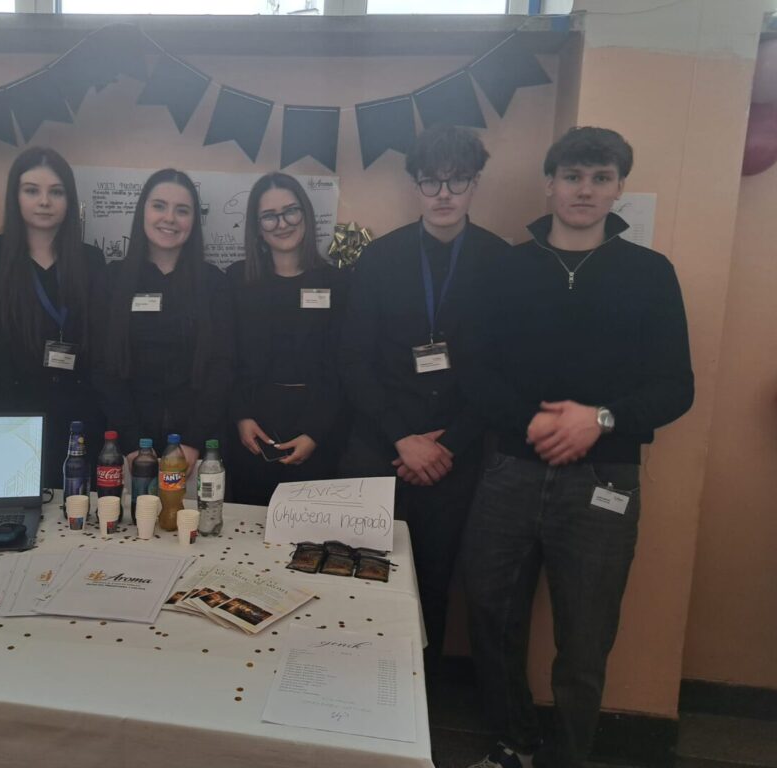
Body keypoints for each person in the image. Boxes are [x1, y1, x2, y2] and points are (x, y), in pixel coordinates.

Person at [461, 127, 694, 768]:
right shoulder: (505, 269)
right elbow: (473, 369)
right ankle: (514, 742)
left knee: (586, 637)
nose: (585, 190)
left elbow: (676, 387)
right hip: (510, 467)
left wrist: (601, 420)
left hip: (604, 480)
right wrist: (533, 423)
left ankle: (568, 758)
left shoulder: (650, 274)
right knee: (489, 614)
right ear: (550, 183)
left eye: (600, 178)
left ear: (618, 188)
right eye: (572, 176)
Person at [339, 125, 508, 664]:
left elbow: (505, 369)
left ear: (475, 184)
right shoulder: (379, 258)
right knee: (361, 574)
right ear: (415, 185)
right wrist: (402, 439)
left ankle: (421, 692)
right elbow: (353, 361)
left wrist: (447, 445)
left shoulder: (501, 262)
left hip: (456, 453)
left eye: (457, 181)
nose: (443, 194)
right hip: (379, 445)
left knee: (434, 581)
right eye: (431, 181)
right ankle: (355, 682)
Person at [0, 147, 106, 488]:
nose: (44, 202)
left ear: (69, 200)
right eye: (32, 190)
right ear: (15, 196)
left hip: (79, 423)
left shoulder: (91, 261)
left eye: (56, 192)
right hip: (7, 420)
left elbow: (103, 354)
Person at [226, 173, 348, 505]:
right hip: (252, 430)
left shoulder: (338, 283)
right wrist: (241, 416)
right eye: (269, 216)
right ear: (257, 227)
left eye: (291, 211)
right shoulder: (236, 280)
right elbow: (225, 356)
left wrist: (315, 432)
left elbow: (343, 363)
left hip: (318, 428)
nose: (282, 224)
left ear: (306, 215)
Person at [101, 168, 233, 466]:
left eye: (182, 210)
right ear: (143, 211)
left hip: (199, 446)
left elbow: (222, 365)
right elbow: (103, 365)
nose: (169, 218)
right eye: (159, 206)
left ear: (193, 221)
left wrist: (192, 442)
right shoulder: (112, 279)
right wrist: (134, 445)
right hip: (126, 446)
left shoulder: (214, 283)